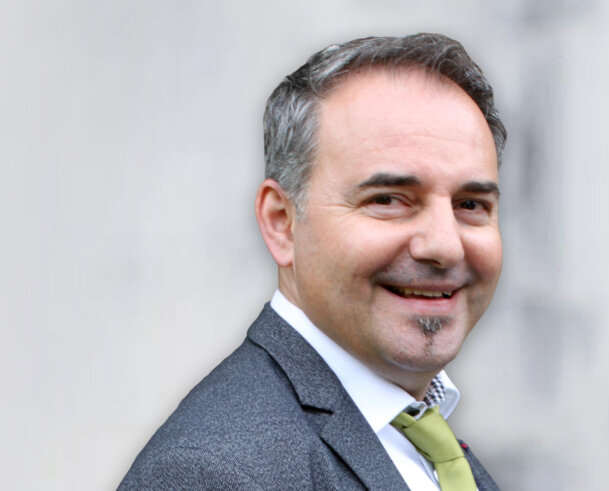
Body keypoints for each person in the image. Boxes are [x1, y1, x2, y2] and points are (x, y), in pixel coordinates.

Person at [119, 33, 507, 490]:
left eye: (471, 205)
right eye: (388, 199)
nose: (445, 246)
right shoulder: (214, 473)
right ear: (282, 222)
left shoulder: (421, 443)